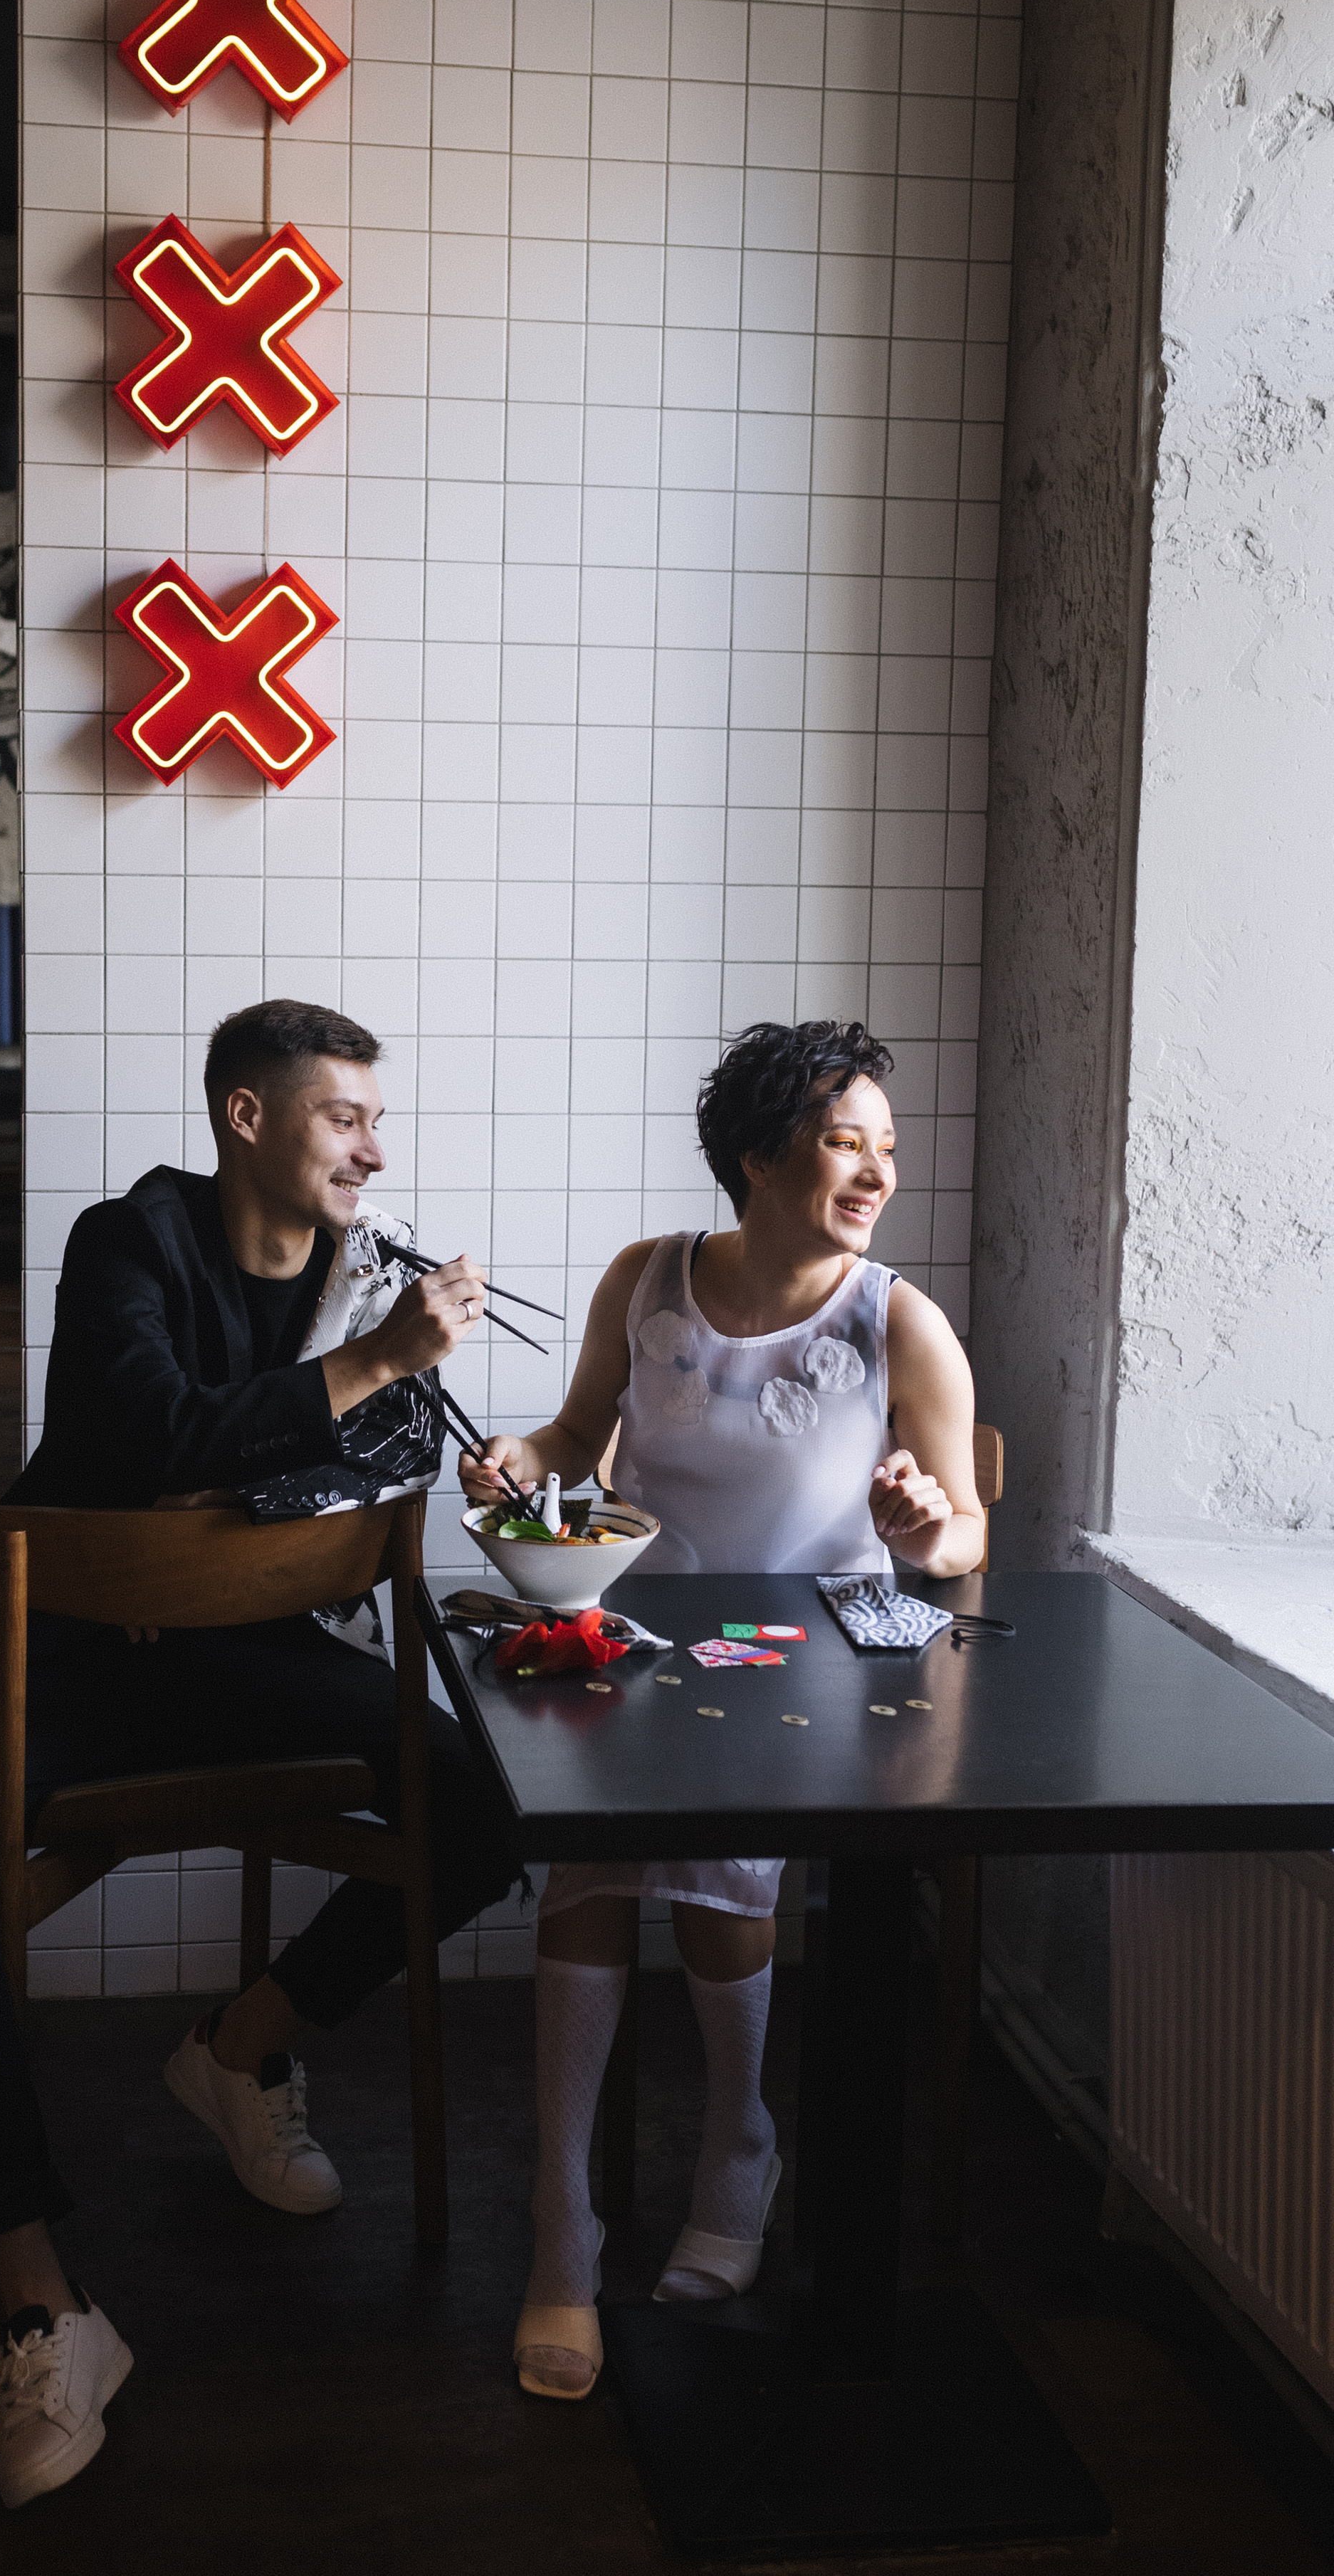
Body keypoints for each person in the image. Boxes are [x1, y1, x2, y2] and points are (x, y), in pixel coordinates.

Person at [0, 1000, 520, 2506]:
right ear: (247, 1118)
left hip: (236, 1652)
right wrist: (366, 1367)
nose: (374, 1145)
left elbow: (373, 1460)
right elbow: (162, 1432)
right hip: (65, 1657)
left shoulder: (369, 1275)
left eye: (375, 1115)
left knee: (486, 1808)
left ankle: (240, 2049)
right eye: (340, 1117)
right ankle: (40, 2304)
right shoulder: (130, 1244)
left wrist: (455, 1432)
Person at [462, 1019, 984, 2400]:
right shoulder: (647, 1280)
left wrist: (921, 1523)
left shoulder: (896, 1320)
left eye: (883, 1143)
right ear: (755, 1156)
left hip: (805, 1656)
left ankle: (731, 2152)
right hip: (635, 1635)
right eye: (839, 1140)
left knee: (700, 1866)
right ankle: (561, 2232)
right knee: (581, 1872)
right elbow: (577, 1439)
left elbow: (960, 1538)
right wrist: (521, 1457)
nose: (873, 1170)